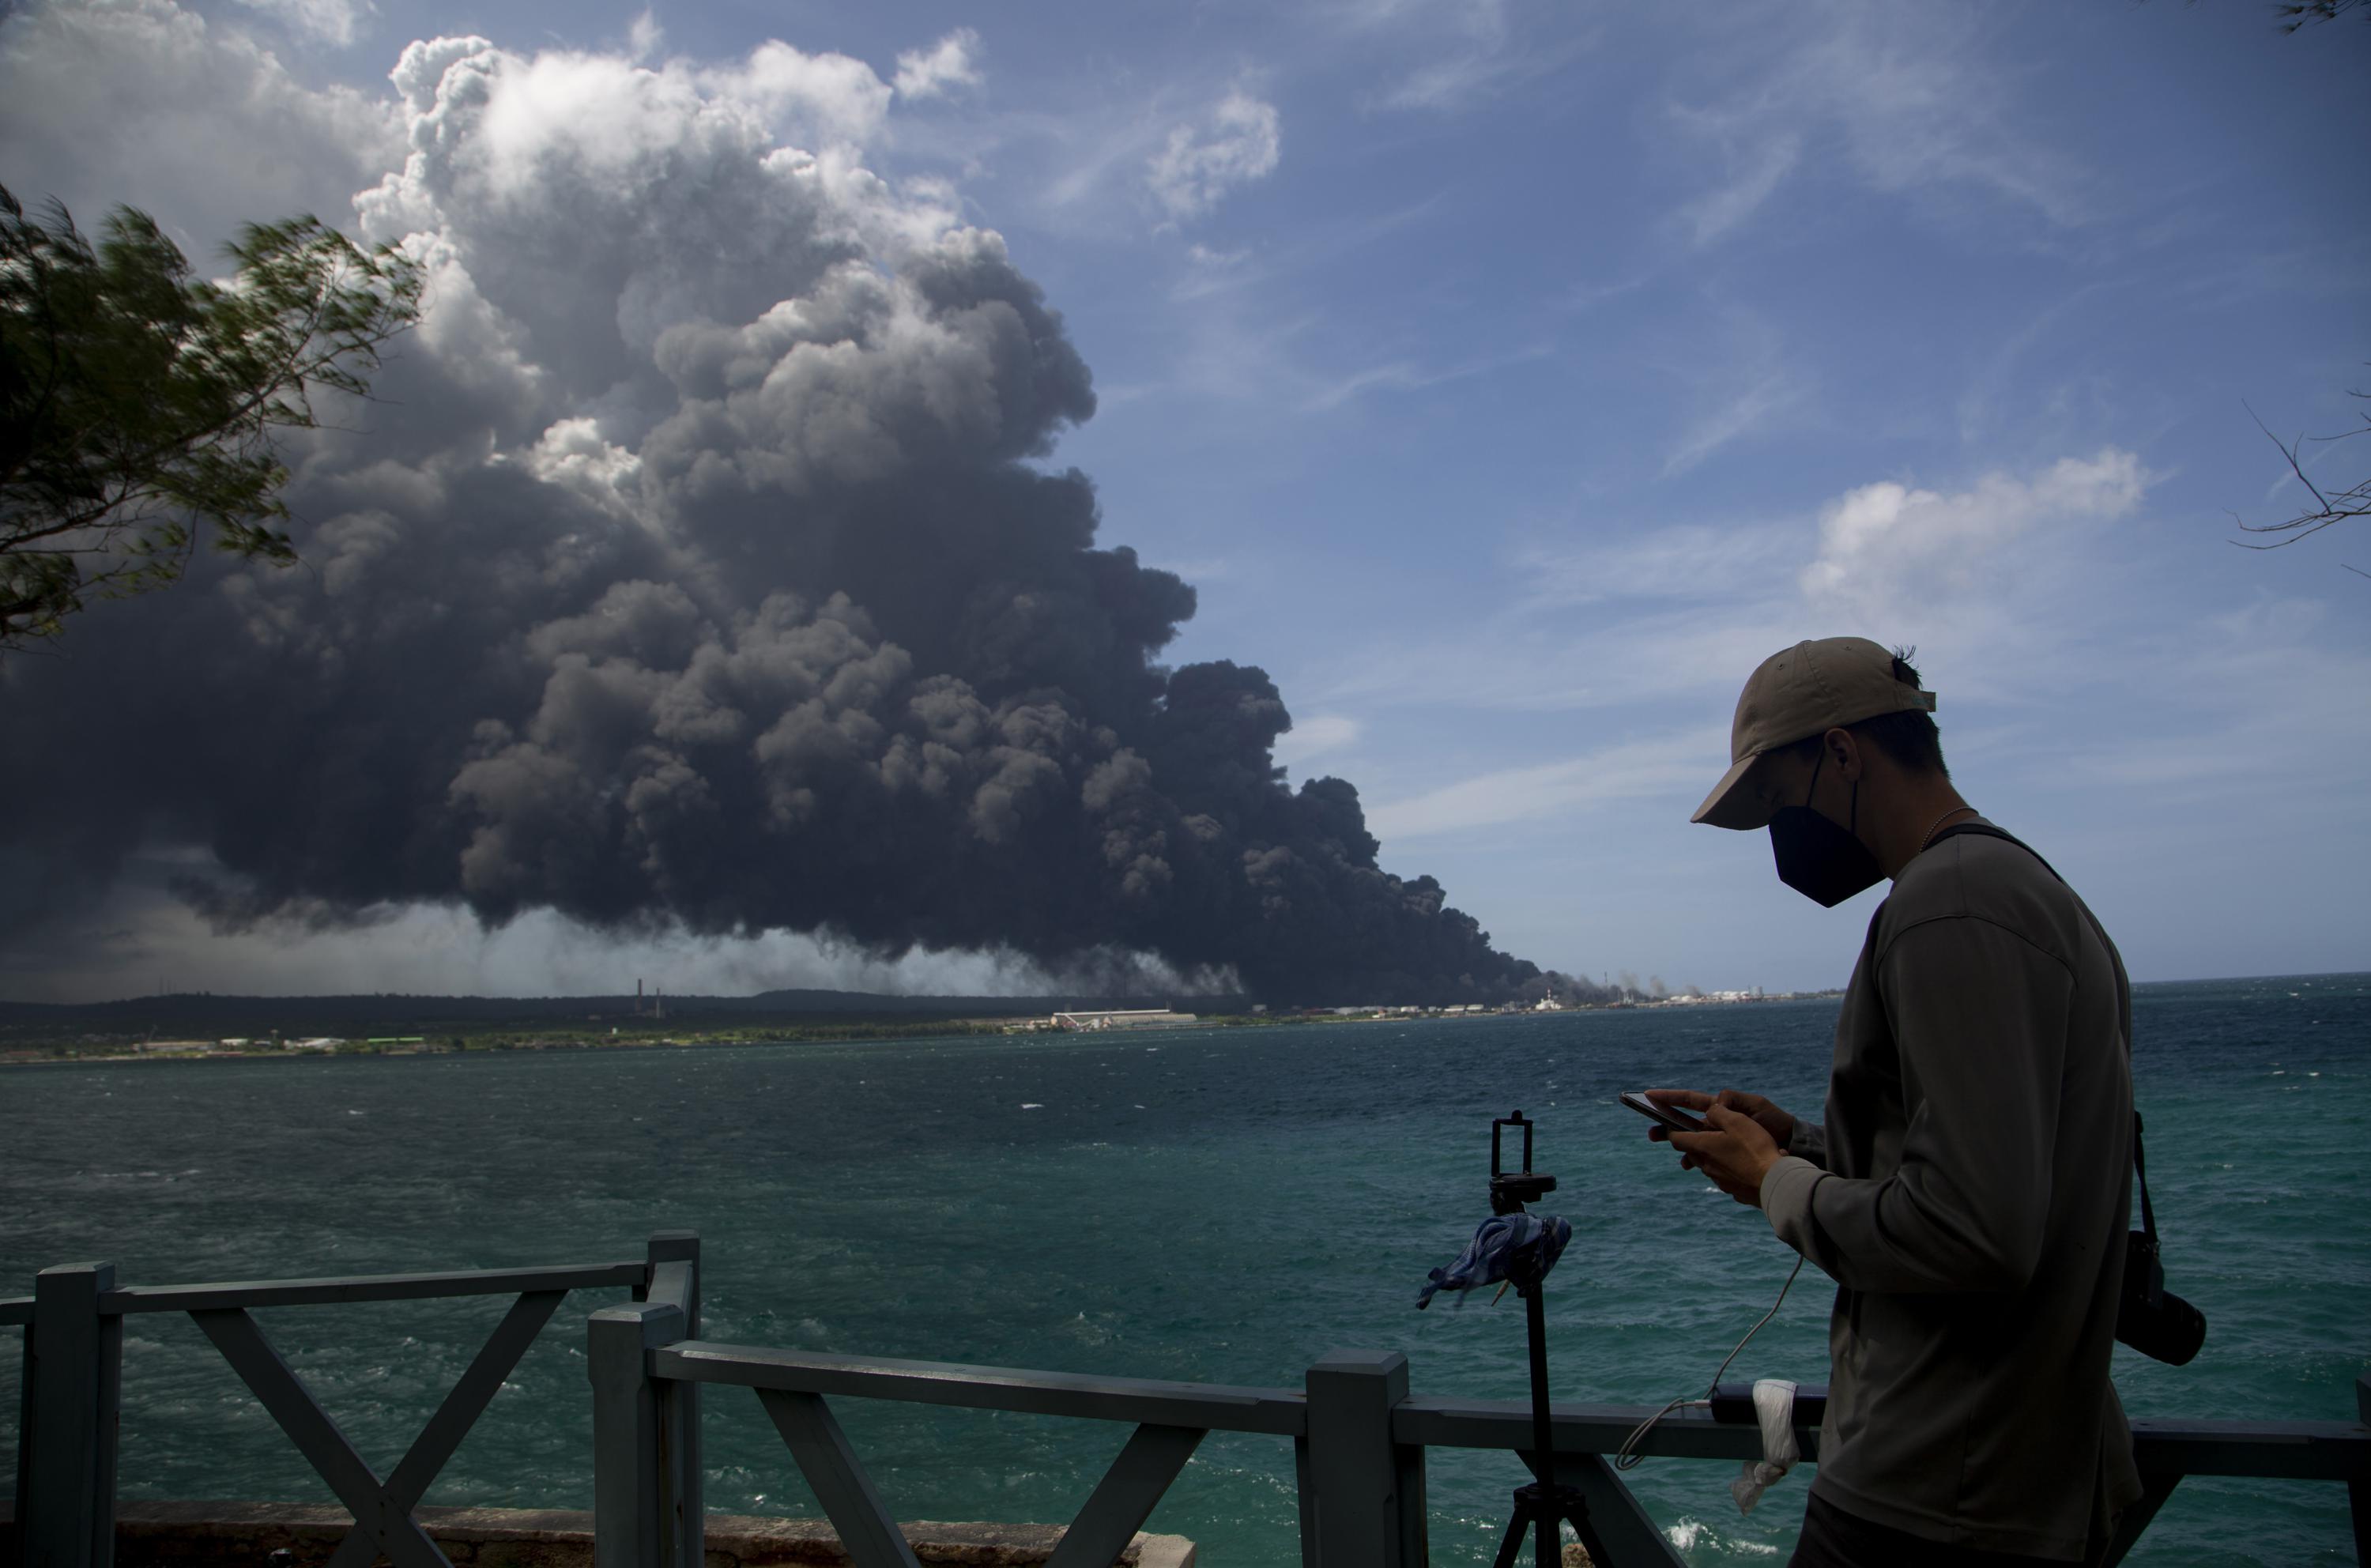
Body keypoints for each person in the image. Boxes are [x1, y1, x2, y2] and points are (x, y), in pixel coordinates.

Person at [1651, 636, 2143, 1567]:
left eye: (1776, 800)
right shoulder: (2028, 890)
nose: (1777, 835)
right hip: (2002, 1479)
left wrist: (1777, 1182)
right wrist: (1793, 1140)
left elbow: (1973, 1229)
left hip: (1933, 1490)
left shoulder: (1948, 903)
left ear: (1842, 755)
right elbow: (1987, 1161)